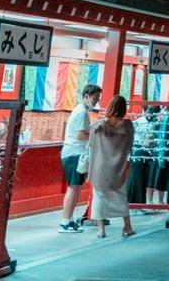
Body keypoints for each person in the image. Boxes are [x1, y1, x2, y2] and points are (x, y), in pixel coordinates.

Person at [87, 96, 136, 238]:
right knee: (120, 197)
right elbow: (129, 146)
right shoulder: (127, 125)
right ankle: (127, 227)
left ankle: (101, 230)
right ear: (123, 108)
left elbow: (90, 143)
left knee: (99, 198)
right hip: (117, 168)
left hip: (99, 167)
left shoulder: (99, 125)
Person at [58, 83, 102, 233]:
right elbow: (80, 134)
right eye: (95, 98)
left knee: (75, 188)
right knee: (73, 187)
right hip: (74, 153)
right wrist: (96, 135)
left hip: (74, 153)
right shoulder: (81, 113)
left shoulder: (81, 111)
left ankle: (68, 220)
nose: (96, 101)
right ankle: (65, 221)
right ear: (86, 96)